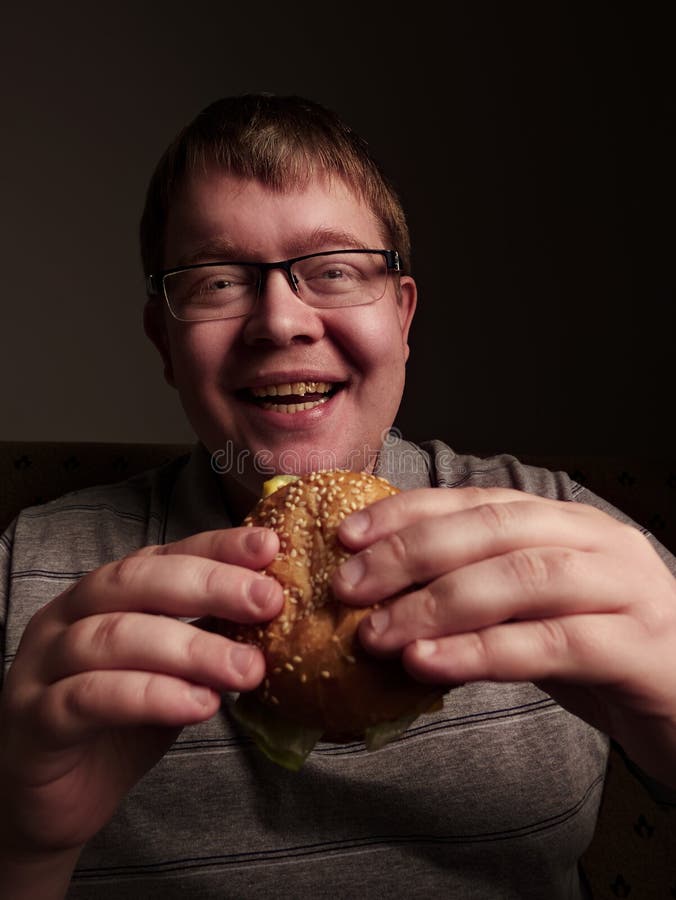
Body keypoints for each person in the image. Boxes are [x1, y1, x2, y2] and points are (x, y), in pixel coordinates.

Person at [1, 94, 674, 900]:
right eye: (218, 280)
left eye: (336, 271)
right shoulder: (25, 576)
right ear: (165, 343)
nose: (281, 321)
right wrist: (20, 850)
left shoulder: (564, 528)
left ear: (403, 313)